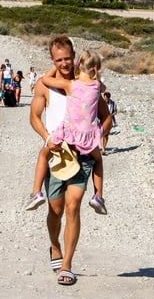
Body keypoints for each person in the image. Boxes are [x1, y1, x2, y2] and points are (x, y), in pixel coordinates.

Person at [29, 36, 112, 286]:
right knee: (55, 210)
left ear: (74, 56)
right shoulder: (46, 86)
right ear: (52, 61)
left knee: (73, 206)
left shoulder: (86, 84)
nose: (64, 63)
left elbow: (106, 116)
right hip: (57, 153)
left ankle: (67, 265)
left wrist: (99, 134)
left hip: (83, 153)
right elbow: (34, 116)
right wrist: (46, 138)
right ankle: (55, 247)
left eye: (68, 58)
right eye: (58, 60)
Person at [28, 49, 107, 214]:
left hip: (68, 134)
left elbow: (45, 80)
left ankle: (36, 193)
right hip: (88, 136)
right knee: (98, 160)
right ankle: (98, 196)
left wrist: (54, 66)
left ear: (77, 63)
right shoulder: (97, 87)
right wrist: (98, 133)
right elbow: (103, 92)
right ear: (96, 69)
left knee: (44, 154)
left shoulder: (71, 85)